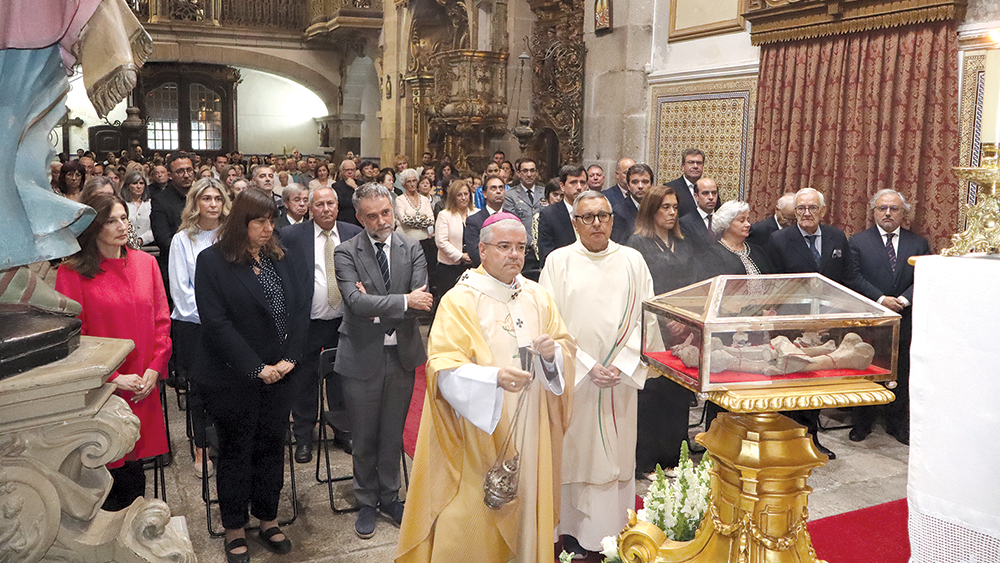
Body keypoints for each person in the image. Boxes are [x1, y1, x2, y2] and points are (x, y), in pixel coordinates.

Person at [395, 212, 574, 563]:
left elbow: (564, 346)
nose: (514, 255)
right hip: (480, 429)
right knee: (472, 518)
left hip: (532, 424)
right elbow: (442, 366)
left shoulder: (538, 295)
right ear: (482, 250)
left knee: (529, 503)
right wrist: (492, 379)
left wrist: (553, 355)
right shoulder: (461, 300)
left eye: (520, 247)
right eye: (504, 246)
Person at [195, 188, 308, 563]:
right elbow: (216, 323)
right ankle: (234, 527)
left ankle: (268, 518)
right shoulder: (213, 261)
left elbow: (300, 307)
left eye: (271, 221)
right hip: (233, 376)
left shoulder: (280, 257)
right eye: (259, 221)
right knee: (235, 450)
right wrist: (257, 368)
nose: (267, 228)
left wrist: (291, 357)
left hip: (281, 372)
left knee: (272, 446)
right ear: (240, 222)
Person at [540, 191, 655, 556]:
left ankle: (611, 531)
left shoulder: (633, 261)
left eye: (602, 216)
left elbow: (648, 318)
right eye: (587, 217)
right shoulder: (558, 262)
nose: (596, 224)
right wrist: (587, 366)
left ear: (612, 220)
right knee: (575, 454)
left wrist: (624, 364)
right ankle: (571, 531)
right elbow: (548, 323)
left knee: (615, 457)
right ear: (575, 223)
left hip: (618, 381)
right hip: (577, 381)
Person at [56, 193, 171, 511]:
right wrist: (113, 379)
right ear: (93, 227)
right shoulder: (72, 273)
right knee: (103, 475)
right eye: (111, 220)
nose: (122, 226)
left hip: (142, 384)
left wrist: (154, 368)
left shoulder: (146, 264)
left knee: (134, 472)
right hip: (101, 388)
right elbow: (73, 336)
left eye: (124, 218)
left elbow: (162, 322)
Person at [334, 183, 433, 539]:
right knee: (364, 437)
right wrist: (403, 301)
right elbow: (355, 303)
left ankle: (390, 496)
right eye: (372, 216)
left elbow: (423, 303)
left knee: (392, 433)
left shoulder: (412, 247)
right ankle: (366, 500)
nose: (381, 221)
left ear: (393, 210)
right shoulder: (346, 252)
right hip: (361, 356)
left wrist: (376, 304)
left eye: (386, 212)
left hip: (402, 354)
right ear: (359, 218)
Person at [767, 187, 853, 460]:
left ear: (822, 210)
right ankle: (786, 442)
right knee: (791, 384)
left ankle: (811, 439)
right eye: (801, 208)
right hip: (792, 324)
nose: (806, 213)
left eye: (812, 207)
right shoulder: (779, 239)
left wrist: (833, 316)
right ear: (794, 212)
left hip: (826, 324)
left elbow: (846, 280)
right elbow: (774, 285)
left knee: (815, 383)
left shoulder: (837, 237)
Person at [280, 186, 363, 464]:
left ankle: (343, 431)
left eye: (330, 204)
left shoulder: (353, 233)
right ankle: (304, 437)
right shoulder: (292, 235)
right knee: (304, 381)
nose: (326, 209)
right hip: (307, 323)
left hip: (344, 321)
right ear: (310, 208)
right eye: (319, 204)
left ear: (337, 207)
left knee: (341, 379)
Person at [626, 185, 701, 477]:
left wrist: (686, 318)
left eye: (675, 207)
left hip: (684, 325)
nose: (671, 213)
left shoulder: (681, 242)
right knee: (652, 395)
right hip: (653, 325)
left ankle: (674, 457)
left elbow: (693, 284)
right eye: (665, 208)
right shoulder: (638, 243)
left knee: (677, 395)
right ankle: (647, 461)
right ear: (651, 210)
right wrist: (662, 318)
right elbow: (637, 288)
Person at [847, 189, 929, 445]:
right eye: (882, 208)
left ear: (903, 213)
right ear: (873, 212)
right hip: (870, 320)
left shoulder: (918, 244)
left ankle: (897, 424)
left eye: (894, 209)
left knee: (901, 371)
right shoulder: (857, 242)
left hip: (905, 319)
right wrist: (881, 299)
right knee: (866, 370)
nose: (888, 213)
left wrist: (903, 300)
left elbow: (924, 276)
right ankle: (862, 423)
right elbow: (853, 277)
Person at [168, 177, 231, 478]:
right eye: (206, 198)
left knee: (230, 387)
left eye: (218, 198)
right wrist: (215, 317)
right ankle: (201, 447)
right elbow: (182, 293)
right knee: (200, 390)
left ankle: (227, 439)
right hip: (196, 326)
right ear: (195, 203)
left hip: (231, 326)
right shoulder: (182, 240)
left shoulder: (232, 236)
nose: (213, 204)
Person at [151, 151, 196, 288]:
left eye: (189, 170)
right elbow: (163, 239)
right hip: (175, 267)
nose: (186, 175)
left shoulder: (201, 196)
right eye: (180, 171)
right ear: (170, 175)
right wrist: (191, 253)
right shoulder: (161, 200)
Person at [702, 200, 774, 278]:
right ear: (726, 224)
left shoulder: (758, 251)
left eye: (748, 220)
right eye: (742, 221)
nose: (748, 224)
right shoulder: (714, 255)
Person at [434, 179, 477, 307]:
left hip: (473, 266)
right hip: (449, 267)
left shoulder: (477, 213)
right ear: (453, 197)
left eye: (466, 194)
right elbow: (441, 241)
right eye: (459, 195)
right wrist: (461, 256)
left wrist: (474, 255)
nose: (463, 198)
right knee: (450, 304)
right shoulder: (444, 215)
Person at [538, 164, 587, 267]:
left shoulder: (594, 212)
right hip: (563, 270)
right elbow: (547, 255)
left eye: (582, 182)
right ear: (562, 186)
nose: (579, 187)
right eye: (573, 182)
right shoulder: (549, 215)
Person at [502, 158, 544, 274]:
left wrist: (542, 242)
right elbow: (513, 222)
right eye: (525, 171)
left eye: (532, 170)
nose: (529, 174)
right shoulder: (510, 195)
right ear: (518, 174)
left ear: (536, 173)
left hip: (544, 246)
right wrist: (532, 243)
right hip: (523, 249)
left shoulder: (544, 192)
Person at [464, 174, 506, 268]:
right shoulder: (474, 221)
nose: (498, 191)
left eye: (501, 188)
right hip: (485, 270)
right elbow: (475, 253)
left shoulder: (512, 218)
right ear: (484, 194)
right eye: (493, 188)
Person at [665, 149, 718, 218]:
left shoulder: (711, 188)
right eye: (691, 162)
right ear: (682, 166)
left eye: (699, 163)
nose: (695, 166)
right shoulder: (670, 188)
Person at [610, 162, 652, 244]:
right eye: (635, 182)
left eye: (645, 182)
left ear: (652, 185)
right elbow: (620, 244)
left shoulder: (658, 209)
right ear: (628, 186)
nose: (640, 186)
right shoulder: (618, 211)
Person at [678, 177, 721, 250]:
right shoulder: (685, 223)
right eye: (705, 193)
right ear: (696, 196)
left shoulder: (723, 219)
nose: (711, 197)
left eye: (714, 193)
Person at [120, 171, 152, 247]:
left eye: (141, 183)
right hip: (125, 246)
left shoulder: (151, 204)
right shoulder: (121, 204)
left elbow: (156, 227)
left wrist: (141, 239)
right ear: (127, 186)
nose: (138, 186)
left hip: (150, 246)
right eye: (134, 183)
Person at [333, 159, 361, 226]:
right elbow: (342, 203)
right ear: (342, 171)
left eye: (352, 170)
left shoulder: (361, 184)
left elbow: (364, 200)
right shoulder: (336, 186)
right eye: (347, 170)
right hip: (344, 220)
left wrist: (355, 187)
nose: (350, 172)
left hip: (359, 221)